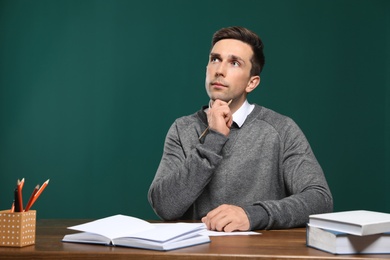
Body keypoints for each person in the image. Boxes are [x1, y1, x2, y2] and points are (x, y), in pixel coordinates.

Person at [148, 26, 333, 232]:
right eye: (215, 59)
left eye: (234, 63)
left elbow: (320, 200)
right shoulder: (183, 129)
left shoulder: (281, 129)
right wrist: (214, 139)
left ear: (251, 83)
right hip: (198, 252)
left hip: (262, 252)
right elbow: (164, 206)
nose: (219, 70)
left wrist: (252, 215)